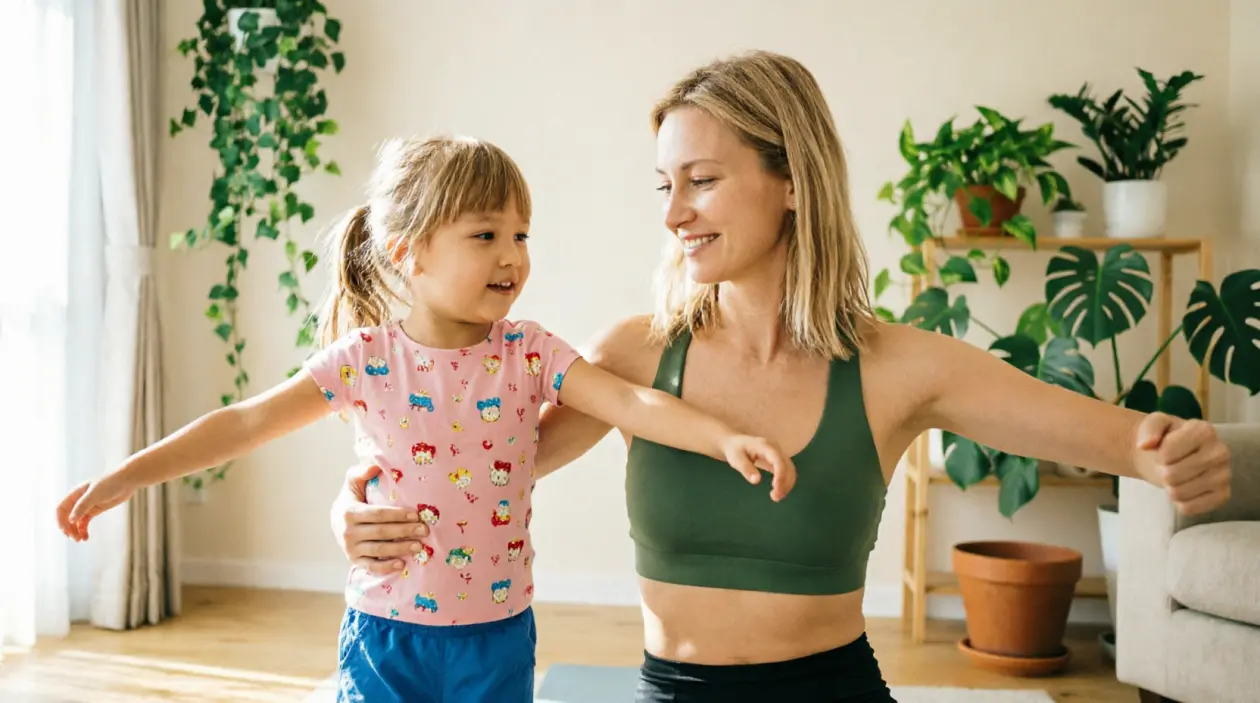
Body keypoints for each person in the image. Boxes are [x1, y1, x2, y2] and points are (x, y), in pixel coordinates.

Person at [332, 52, 1233, 703]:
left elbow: (1123, 439)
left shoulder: (898, 366)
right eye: (664, 186)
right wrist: (354, 508)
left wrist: (1167, 448)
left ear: (793, 181)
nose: (675, 213)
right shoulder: (635, 356)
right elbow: (481, 465)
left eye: (702, 180)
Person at [54, 135, 800, 703]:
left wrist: (722, 437)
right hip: (387, 634)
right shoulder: (363, 359)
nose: (511, 256)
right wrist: (125, 478)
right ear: (408, 253)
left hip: (496, 635)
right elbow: (246, 422)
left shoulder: (530, 351)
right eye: (485, 235)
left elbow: (629, 401)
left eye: (521, 235)